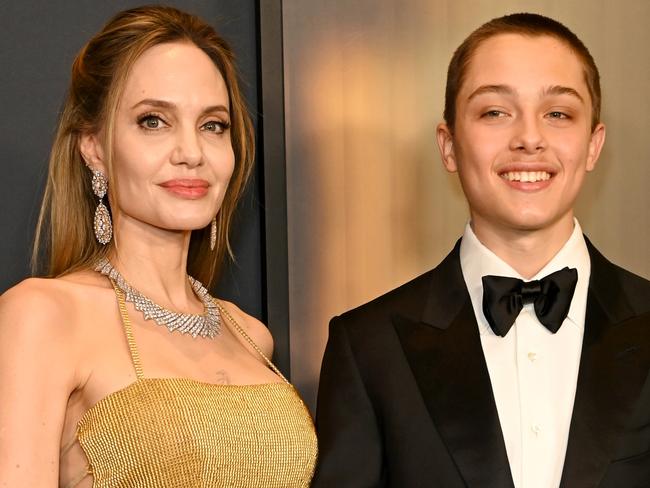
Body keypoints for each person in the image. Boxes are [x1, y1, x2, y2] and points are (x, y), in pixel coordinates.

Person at [313, 12, 649, 488]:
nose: (529, 138)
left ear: (593, 145)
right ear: (448, 145)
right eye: (495, 112)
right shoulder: (369, 347)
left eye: (558, 114)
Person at [0, 6, 316, 487]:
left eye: (213, 125)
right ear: (95, 147)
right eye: (153, 121)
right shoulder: (42, 316)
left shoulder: (251, 335)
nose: (191, 152)